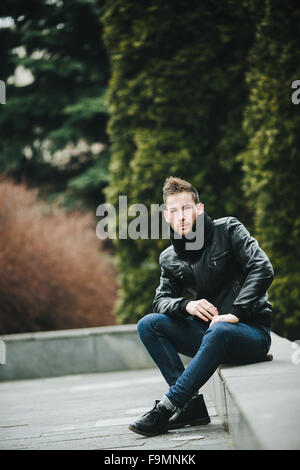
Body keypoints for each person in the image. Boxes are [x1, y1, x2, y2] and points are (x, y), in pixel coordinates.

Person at [128, 176, 274, 437]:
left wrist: (236, 313)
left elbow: (262, 268)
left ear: (199, 208)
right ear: (166, 216)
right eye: (174, 210)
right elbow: (161, 300)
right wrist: (187, 305)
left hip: (250, 334)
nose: (181, 216)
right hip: (210, 336)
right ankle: (192, 407)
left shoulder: (228, 230)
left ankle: (166, 408)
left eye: (186, 208)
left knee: (220, 331)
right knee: (148, 324)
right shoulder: (169, 257)